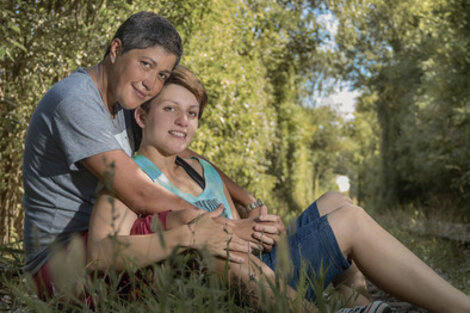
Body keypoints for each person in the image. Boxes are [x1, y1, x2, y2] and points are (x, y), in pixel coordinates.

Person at [89, 65, 467, 313]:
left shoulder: (201, 166)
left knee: (336, 201)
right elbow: (100, 254)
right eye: (169, 109)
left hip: (259, 272)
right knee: (348, 221)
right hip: (218, 289)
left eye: (191, 113)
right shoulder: (130, 178)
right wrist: (189, 236)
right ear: (142, 115)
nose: (182, 122)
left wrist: (262, 224)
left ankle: (357, 306)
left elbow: (243, 231)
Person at [23, 11, 266, 300]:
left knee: (198, 231)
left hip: (111, 235)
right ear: (116, 50)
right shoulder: (76, 102)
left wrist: (247, 199)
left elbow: (187, 154)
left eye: (162, 74)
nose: (151, 83)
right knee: (187, 223)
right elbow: (139, 192)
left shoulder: (124, 102)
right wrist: (224, 225)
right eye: (145, 64)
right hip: (62, 262)